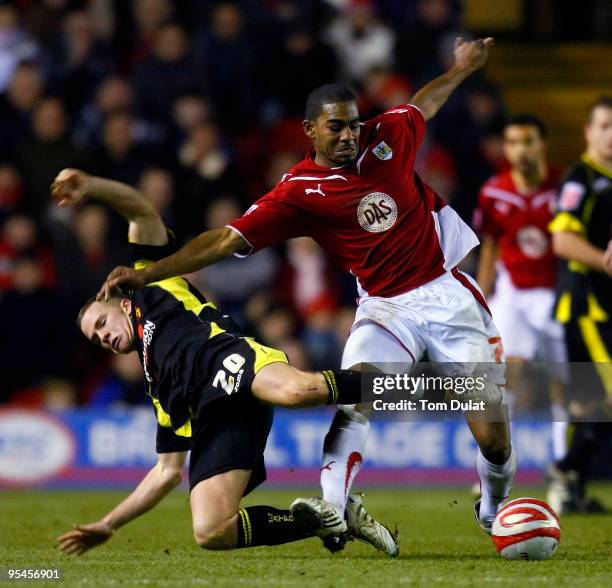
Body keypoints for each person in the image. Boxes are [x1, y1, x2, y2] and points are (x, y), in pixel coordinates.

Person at [99, 37, 516, 553]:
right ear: (310, 130)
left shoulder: (388, 137)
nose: (348, 135)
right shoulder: (299, 191)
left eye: (353, 123)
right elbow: (227, 239)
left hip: (446, 293)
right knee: (357, 392)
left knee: (494, 437)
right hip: (385, 306)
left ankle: (494, 508)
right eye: (336, 126)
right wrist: (150, 274)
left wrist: (460, 68)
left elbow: (422, 104)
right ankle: (334, 513)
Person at [52, 169, 398, 557]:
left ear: (120, 304)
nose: (103, 336)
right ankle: (324, 519)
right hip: (218, 418)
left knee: (299, 390)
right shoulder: (158, 388)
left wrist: (93, 186)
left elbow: (142, 212)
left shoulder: (151, 284)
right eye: (95, 338)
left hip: (232, 361)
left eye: (101, 322)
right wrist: (108, 524)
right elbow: (166, 473)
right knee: (211, 530)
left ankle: (432, 385)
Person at [474, 114, 568, 460]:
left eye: (527, 141)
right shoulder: (494, 191)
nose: (520, 150)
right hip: (512, 293)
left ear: (542, 144)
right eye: (512, 143)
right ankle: (498, 459)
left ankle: (562, 460)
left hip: (555, 293)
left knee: (565, 380)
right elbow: (490, 246)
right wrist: (481, 300)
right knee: (506, 370)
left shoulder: (564, 187)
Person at [546, 97, 612, 514]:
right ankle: (565, 473)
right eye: (605, 126)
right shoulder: (581, 179)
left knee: (592, 408)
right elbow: (561, 240)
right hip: (588, 309)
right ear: (588, 131)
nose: (611, 135)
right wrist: (604, 259)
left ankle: (571, 484)